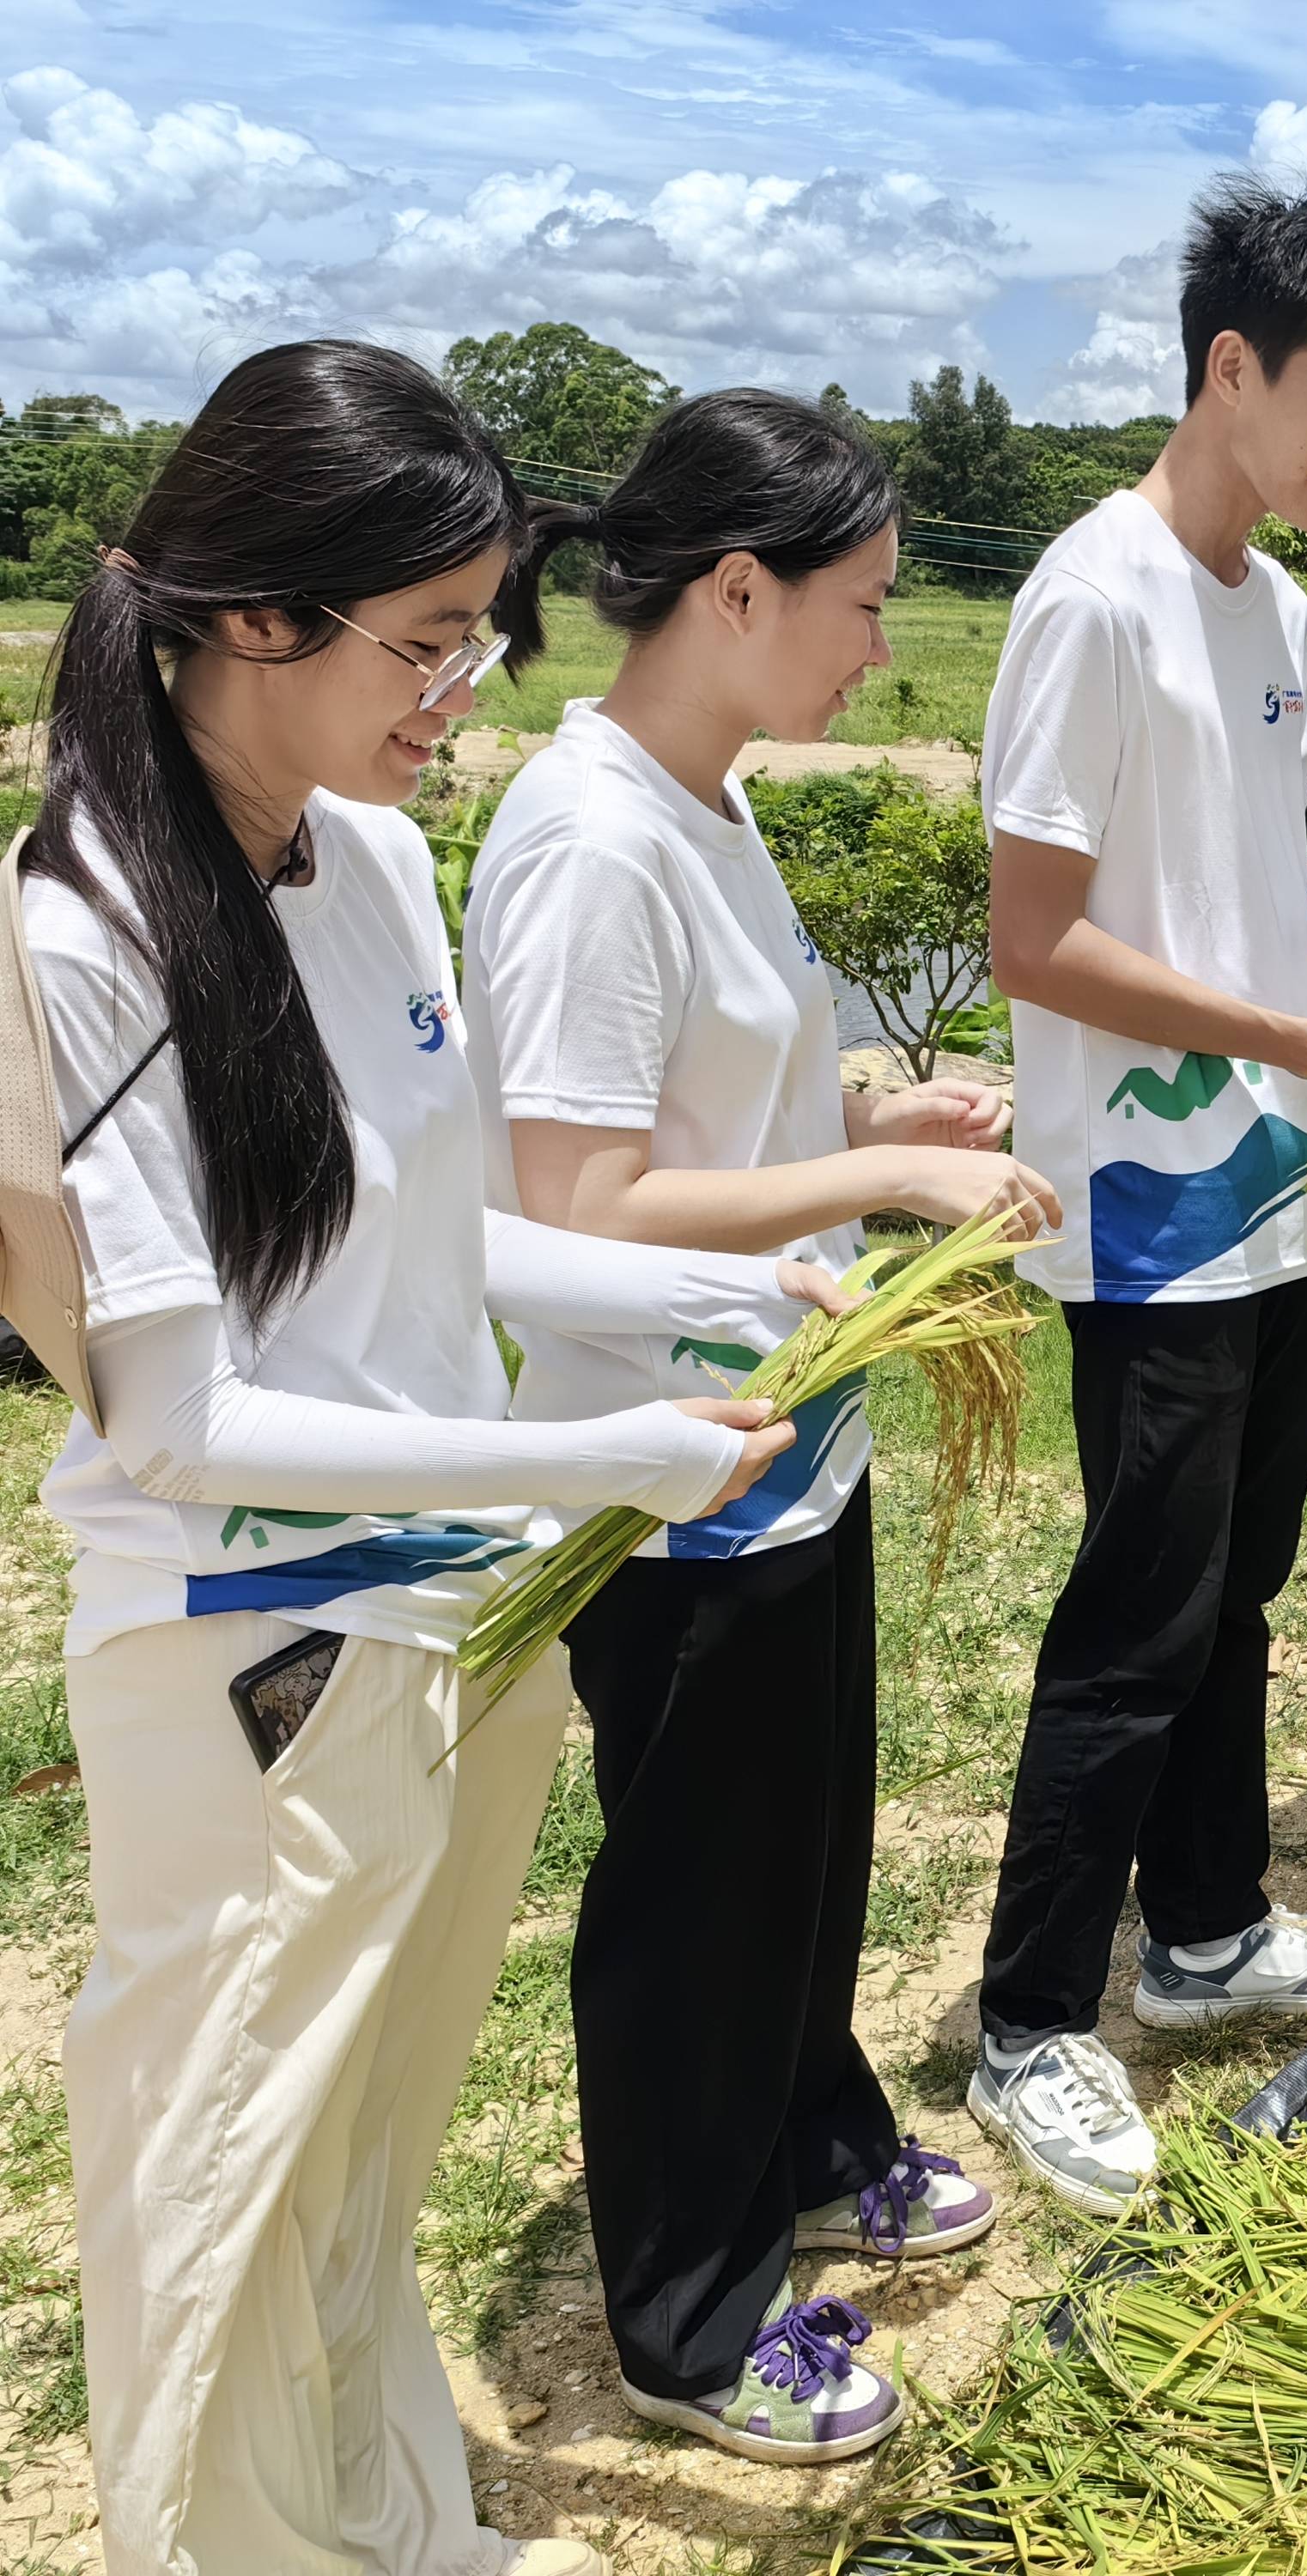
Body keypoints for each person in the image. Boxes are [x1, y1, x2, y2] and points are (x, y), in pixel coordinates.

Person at [20, 341, 810, 2576]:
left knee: (369, 2148)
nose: (462, 688)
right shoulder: (79, 933)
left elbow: (446, 1237)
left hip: (442, 1631)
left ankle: (399, 2526)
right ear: (250, 617)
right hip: (254, 1663)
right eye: (430, 638)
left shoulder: (363, 859)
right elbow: (180, 1428)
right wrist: (596, 1473)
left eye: (479, 635)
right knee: (231, 2191)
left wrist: (712, 1307)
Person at [459, 392, 1058, 2465]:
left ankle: (813, 2142)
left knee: (804, 1857)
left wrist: (870, 1123)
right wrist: (880, 1189)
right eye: (864, 604)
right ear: (737, 590)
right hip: (669, 1464)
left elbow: (718, 1127)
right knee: (697, 1901)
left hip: (785, 1436)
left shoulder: (706, 808)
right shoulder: (588, 835)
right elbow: (571, 1204)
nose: (880, 648)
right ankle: (687, 2313)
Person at [967, 175, 1307, 2217]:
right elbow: (1036, 938)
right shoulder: (1093, 596)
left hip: (1283, 1198)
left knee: (1241, 1584)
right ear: (1229, 367)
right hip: (1152, 1205)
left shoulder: (1279, 609)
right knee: (1134, 1615)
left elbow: (1274, 910)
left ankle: (1196, 1935)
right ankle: (1028, 2022)